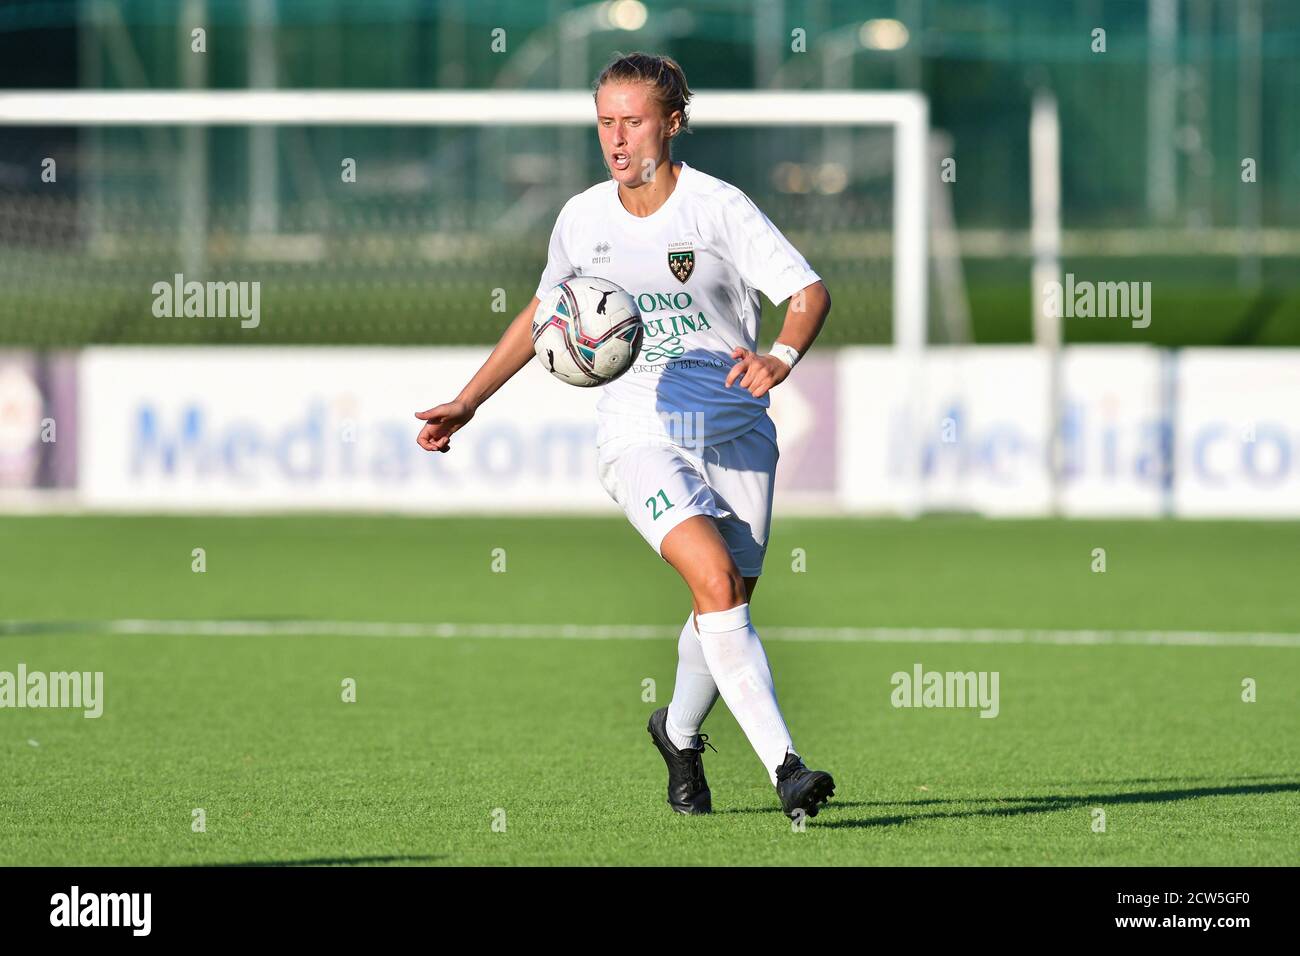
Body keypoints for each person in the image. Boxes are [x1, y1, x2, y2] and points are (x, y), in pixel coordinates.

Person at [415, 52, 835, 819]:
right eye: (605, 121)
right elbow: (544, 316)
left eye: (632, 121)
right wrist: (470, 400)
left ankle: (677, 733)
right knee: (712, 582)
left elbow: (807, 292)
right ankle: (787, 767)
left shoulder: (717, 208)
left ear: (672, 123)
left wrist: (779, 357)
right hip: (638, 430)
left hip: (737, 431)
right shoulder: (582, 217)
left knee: (729, 599)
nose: (616, 137)